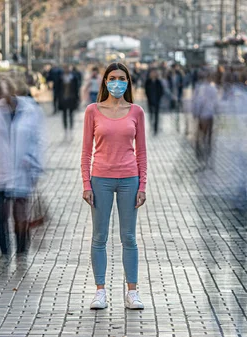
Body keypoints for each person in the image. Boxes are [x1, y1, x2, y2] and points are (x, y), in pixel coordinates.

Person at [81, 62, 147, 310]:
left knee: (128, 237)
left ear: (128, 82)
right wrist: (86, 183)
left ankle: (132, 292)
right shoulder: (93, 111)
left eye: (121, 78)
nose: (117, 82)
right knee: (99, 237)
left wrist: (143, 186)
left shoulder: (136, 111)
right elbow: (86, 151)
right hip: (101, 179)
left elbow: (142, 152)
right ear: (105, 81)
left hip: (130, 179)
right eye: (112, 78)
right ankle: (100, 291)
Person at [0, 74, 44, 255]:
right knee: (0, 213)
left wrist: (35, 165)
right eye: (0, 92)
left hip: (23, 169)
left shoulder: (29, 110)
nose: (4, 96)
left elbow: (37, 139)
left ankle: (22, 249)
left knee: (20, 212)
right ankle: (4, 251)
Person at [191, 70, 218, 169]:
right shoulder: (212, 88)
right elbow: (215, 103)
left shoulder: (201, 88)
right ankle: (208, 157)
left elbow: (198, 102)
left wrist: (195, 113)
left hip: (203, 115)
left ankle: (202, 157)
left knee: (201, 136)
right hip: (209, 114)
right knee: (208, 137)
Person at [59, 66, 81, 137]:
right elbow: (57, 88)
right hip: (63, 98)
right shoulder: (61, 78)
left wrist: (77, 98)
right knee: (64, 114)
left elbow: (76, 89)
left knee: (71, 114)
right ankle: (65, 129)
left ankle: (71, 129)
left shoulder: (73, 78)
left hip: (71, 98)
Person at [144, 68, 164, 135]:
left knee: (156, 116)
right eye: (151, 73)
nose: (153, 74)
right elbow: (146, 91)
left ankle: (155, 128)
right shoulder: (148, 82)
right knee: (151, 115)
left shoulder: (158, 82)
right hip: (150, 101)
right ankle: (151, 126)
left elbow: (161, 91)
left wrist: (159, 98)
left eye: (154, 73)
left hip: (157, 101)